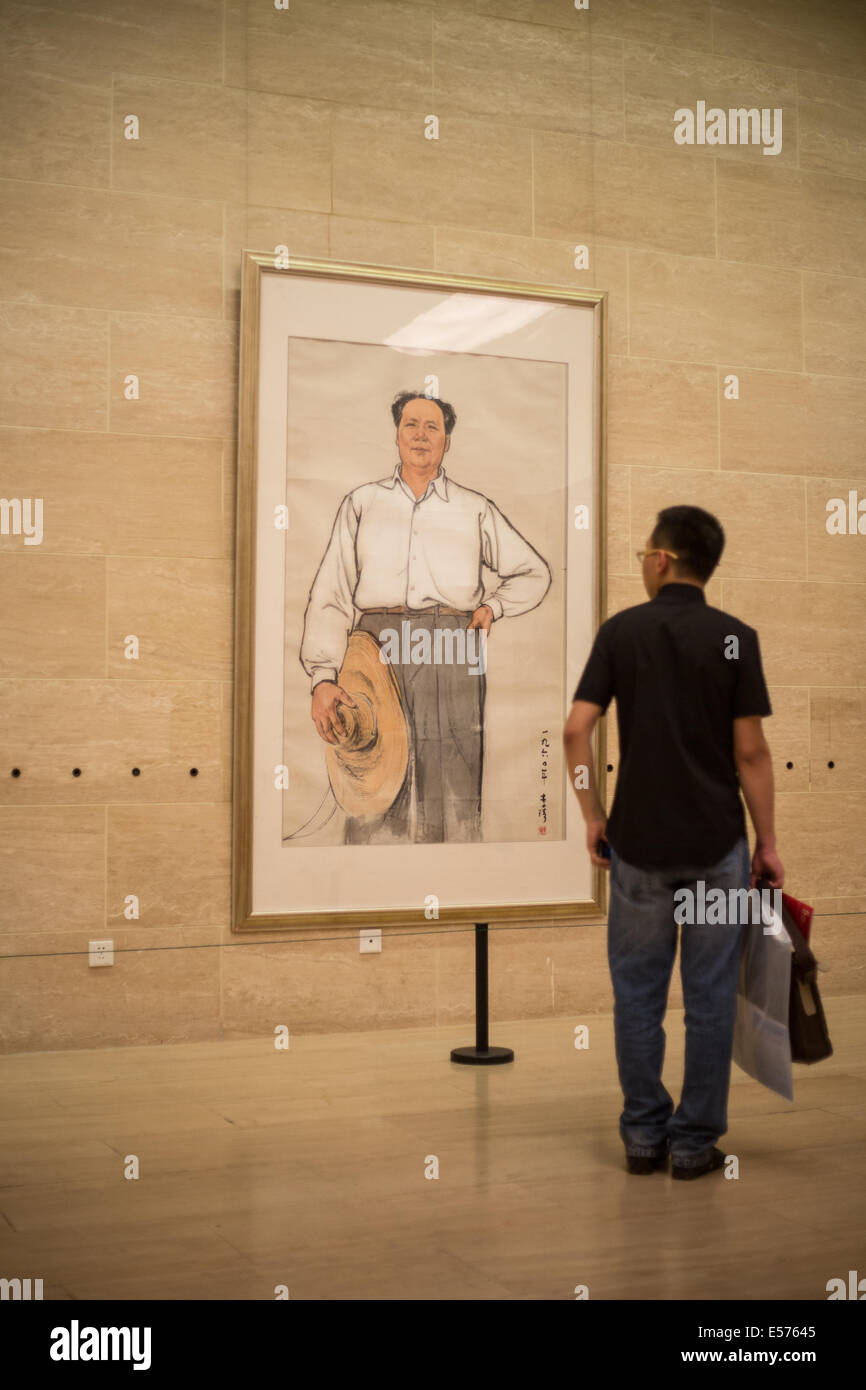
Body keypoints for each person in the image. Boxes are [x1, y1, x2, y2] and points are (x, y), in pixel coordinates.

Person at [563, 505, 784, 1179]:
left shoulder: (622, 632)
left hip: (638, 849)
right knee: (711, 996)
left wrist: (592, 815)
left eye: (643, 552)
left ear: (662, 559)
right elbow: (751, 754)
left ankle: (641, 1138)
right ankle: (693, 1146)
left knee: (638, 994)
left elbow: (575, 731)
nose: (642, 561)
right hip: (719, 851)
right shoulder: (734, 639)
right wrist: (767, 842)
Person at [301, 390, 551, 843]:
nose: (420, 435)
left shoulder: (473, 507)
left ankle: (454, 886)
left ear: (447, 441)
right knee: (373, 783)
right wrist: (321, 676)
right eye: (410, 425)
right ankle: (373, 894)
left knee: (453, 792)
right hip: (377, 648)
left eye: (432, 427)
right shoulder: (362, 503)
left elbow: (534, 573)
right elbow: (331, 593)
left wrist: (492, 607)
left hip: (453, 648)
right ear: (397, 436)